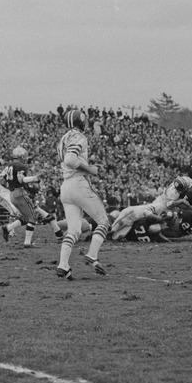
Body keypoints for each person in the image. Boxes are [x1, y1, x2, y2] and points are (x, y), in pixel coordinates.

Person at [55, 109, 110, 279]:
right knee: (103, 221)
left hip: (65, 186)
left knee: (73, 230)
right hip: (78, 183)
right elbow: (70, 160)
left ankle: (63, 265)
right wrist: (90, 170)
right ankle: (92, 255)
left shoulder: (63, 139)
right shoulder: (79, 137)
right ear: (81, 121)